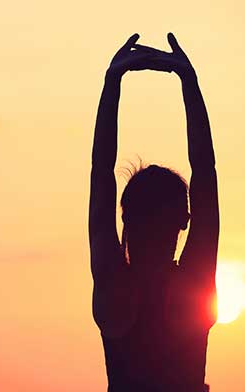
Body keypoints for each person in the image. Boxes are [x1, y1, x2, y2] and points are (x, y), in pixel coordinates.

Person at [89, 32, 219, 392]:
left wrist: (112, 83)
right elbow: (205, 174)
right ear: (184, 220)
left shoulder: (115, 288)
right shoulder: (192, 286)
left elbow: (101, 174)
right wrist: (188, 84)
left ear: (125, 217)